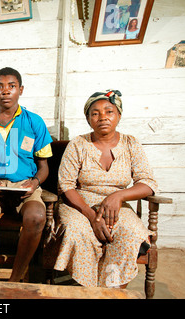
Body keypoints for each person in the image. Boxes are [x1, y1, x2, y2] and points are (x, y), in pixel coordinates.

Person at [52, 89, 158, 288]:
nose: (102, 117)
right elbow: (65, 185)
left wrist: (118, 196)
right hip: (79, 204)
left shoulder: (130, 143)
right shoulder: (78, 144)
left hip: (116, 206)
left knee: (131, 232)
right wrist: (92, 217)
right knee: (77, 231)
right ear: (88, 119)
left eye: (109, 111)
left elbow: (148, 183)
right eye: (95, 113)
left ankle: (111, 290)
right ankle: (85, 289)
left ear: (118, 115)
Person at [0, 67, 53, 282]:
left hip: (24, 187)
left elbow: (43, 166)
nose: (5, 91)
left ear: (21, 90)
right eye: (0, 87)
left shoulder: (33, 121)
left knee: (36, 216)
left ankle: (15, 281)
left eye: (11, 86)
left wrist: (34, 183)